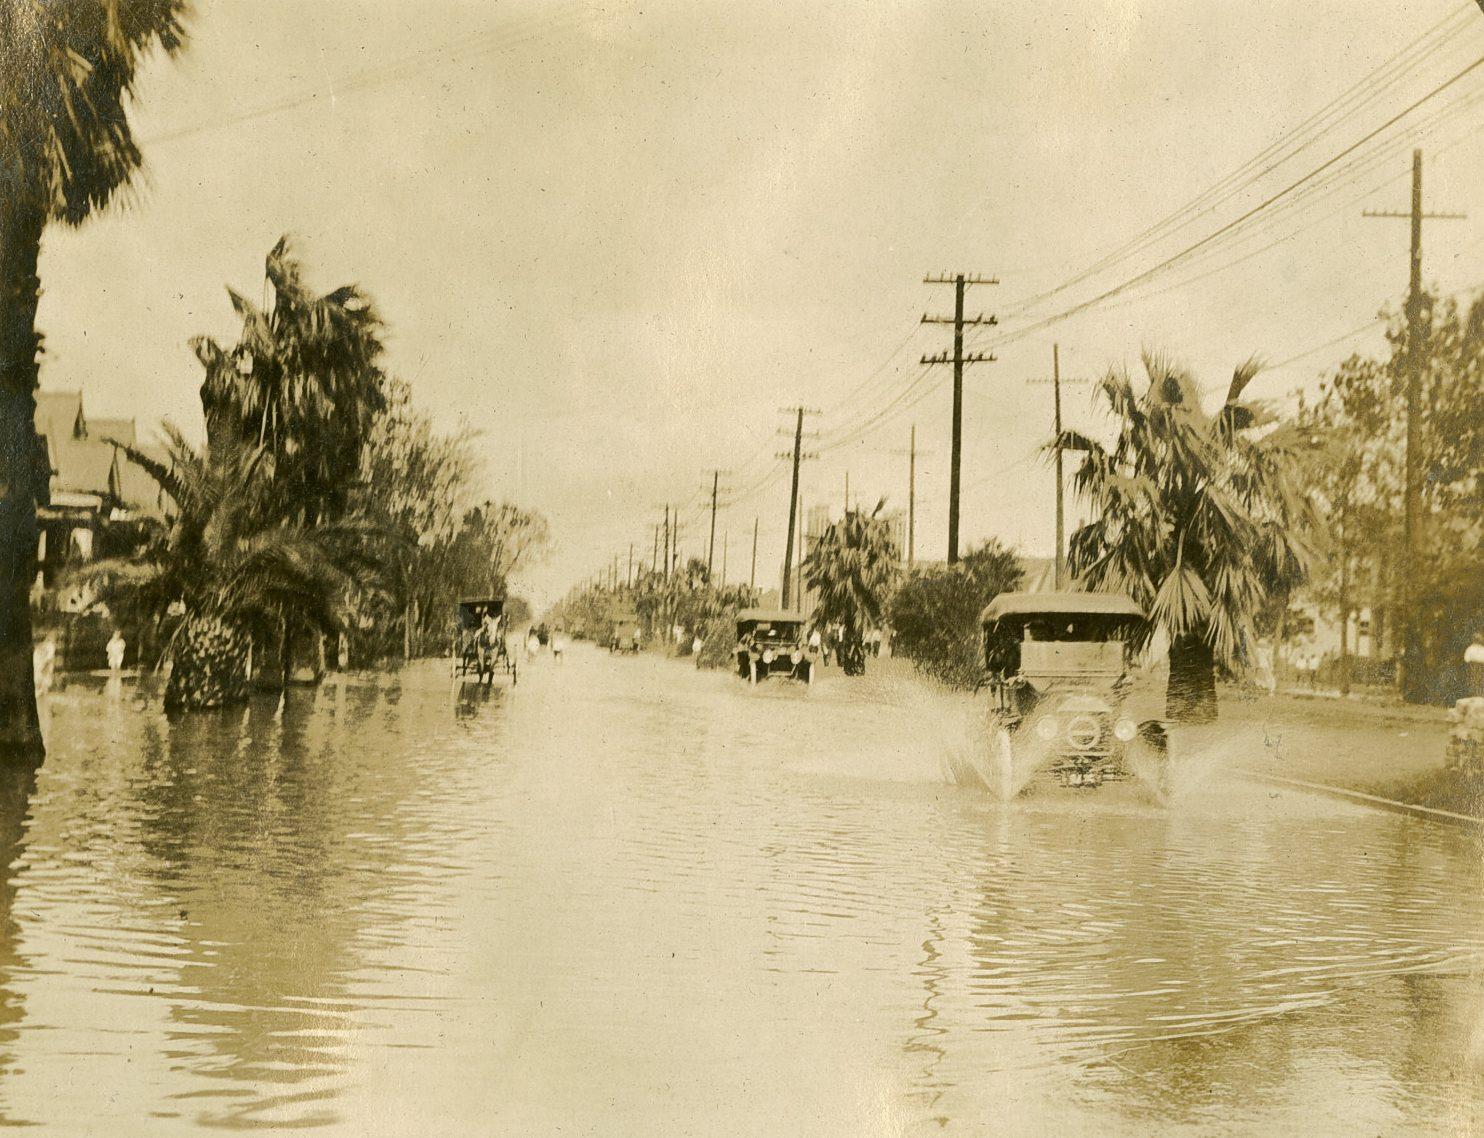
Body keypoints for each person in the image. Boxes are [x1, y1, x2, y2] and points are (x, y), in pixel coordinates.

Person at [1465, 630, 1484, 697]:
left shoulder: (1471, 649)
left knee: (1477, 683)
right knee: (1476, 683)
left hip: (1478, 669)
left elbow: (1466, 659)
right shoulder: (1471, 649)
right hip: (1474, 669)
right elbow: (1467, 659)